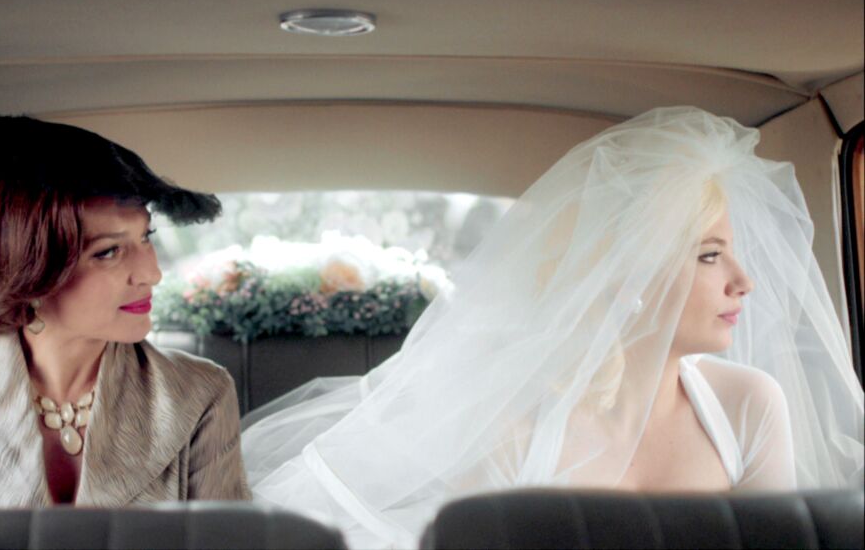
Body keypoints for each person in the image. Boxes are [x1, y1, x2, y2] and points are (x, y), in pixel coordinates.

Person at [240, 107, 865, 548]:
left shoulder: (749, 406)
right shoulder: (516, 430)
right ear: (628, 271)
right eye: (709, 256)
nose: (744, 281)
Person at [0, 115, 251, 510]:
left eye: (146, 237)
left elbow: (222, 537)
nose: (152, 273)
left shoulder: (200, 394)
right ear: (25, 269)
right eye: (108, 252)